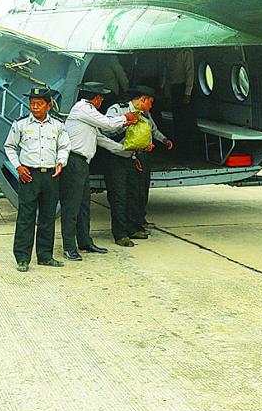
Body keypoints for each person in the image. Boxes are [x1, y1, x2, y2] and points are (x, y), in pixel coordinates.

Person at [59, 82, 138, 260]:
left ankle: (85, 241)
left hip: (81, 163)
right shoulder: (83, 109)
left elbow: (102, 139)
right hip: (73, 162)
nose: (102, 101)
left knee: (83, 205)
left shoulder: (88, 116)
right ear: (95, 98)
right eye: (101, 97)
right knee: (72, 207)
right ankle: (69, 247)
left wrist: (126, 151)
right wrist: (126, 118)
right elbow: (107, 124)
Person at [4, 87, 71, 270]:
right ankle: (22, 258)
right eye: (32, 103)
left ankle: (45, 256)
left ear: (49, 106)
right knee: (25, 217)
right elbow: (9, 146)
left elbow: (64, 147)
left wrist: (61, 162)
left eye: (39, 104)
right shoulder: (21, 124)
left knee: (48, 217)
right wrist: (18, 166)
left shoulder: (58, 125)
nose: (34, 107)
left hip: (51, 175)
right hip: (29, 176)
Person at [103, 86, 172, 246]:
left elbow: (152, 131)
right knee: (119, 196)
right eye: (150, 102)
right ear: (143, 99)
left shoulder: (145, 114)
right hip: (116, 157)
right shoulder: (117, 109)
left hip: (133, 157)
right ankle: (120, 234)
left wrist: (157, 142)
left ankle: (132, 228)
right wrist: (126, 123)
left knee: (133, 194)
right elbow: (106, 131)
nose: (151, 106)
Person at [161, 48, 197, 150]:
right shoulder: (169, 52)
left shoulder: (186, 52)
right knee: (177, 120)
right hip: (175, 88)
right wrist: (166, 91)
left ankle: (190, 148)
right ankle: (179, 147)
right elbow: (167, 73)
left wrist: (187, 92)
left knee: (187, 121)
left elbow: (190, 73)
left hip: (183, 87)